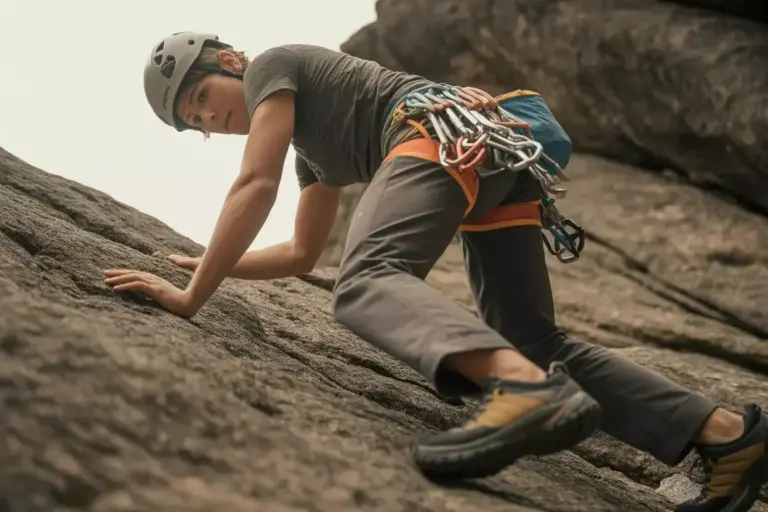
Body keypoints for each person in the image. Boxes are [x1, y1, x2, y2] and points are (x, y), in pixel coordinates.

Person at [104, 31, 767, 511]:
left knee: (366, 280)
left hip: (443, 135)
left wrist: (196, 294)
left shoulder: (272, 67)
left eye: (200, 96)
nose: (209, 120)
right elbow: (302, 254)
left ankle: (524, 392)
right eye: (193, 122)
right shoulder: (317, 154)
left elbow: (255, 182)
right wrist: (215, 265)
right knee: (533, 340)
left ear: (229, 61)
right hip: (489, 167)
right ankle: (727, 439)